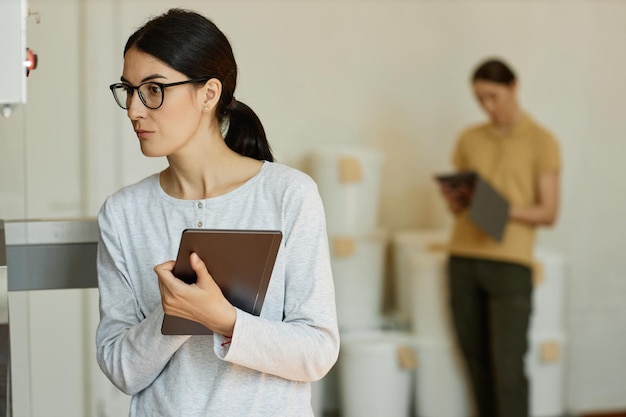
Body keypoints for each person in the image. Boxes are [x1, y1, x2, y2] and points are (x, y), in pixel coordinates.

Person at [95, 8, 339, 417]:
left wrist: (226, 321)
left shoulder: (288, 195)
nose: (135, 110)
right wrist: (172, 313)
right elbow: (122, 370)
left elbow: (317, 351)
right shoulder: (123, 214)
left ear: (209, 94)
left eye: (153, 90)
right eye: (129, 90)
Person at [438, 58, 561, 417]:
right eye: (480, 99)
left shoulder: (543, 141)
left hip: (511, 264)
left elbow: (549, 212)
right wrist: (456, 199)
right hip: (461, 259)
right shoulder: (469, 138)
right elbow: (459, 209)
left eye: (493, 96)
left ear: (513, 87)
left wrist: (501, 209)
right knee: (475, 363)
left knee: (507, 367)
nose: (487, 106)